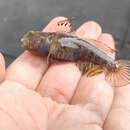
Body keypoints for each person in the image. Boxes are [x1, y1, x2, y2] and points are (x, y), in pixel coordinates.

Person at [0, 16, 129, 130]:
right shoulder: (52, 43)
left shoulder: (54, 44)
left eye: (32, 39)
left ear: (42, 40)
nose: (25, 42)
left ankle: (112, 66)